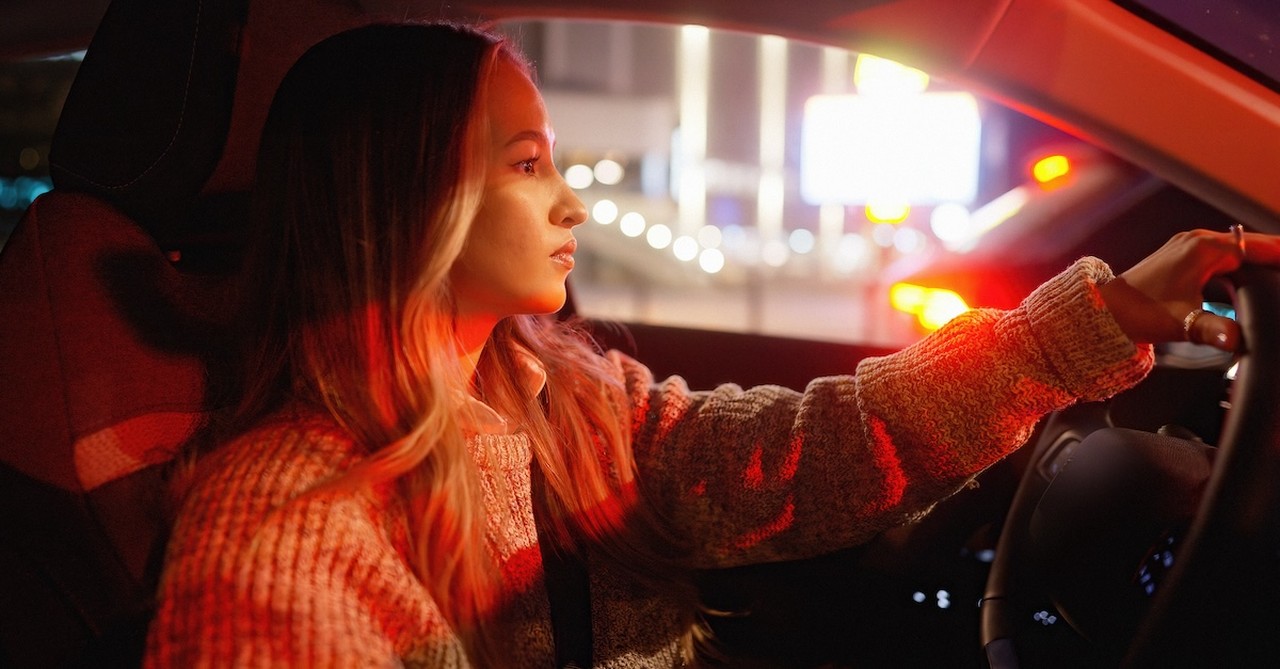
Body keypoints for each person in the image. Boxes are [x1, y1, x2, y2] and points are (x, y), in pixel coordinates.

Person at [142, 20, 1277, 668]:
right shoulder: (285, 515)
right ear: (397, 196)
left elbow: (803, 455)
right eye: (526, 162)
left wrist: (1097, 321)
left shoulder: (564, 399)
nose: (571, 205)